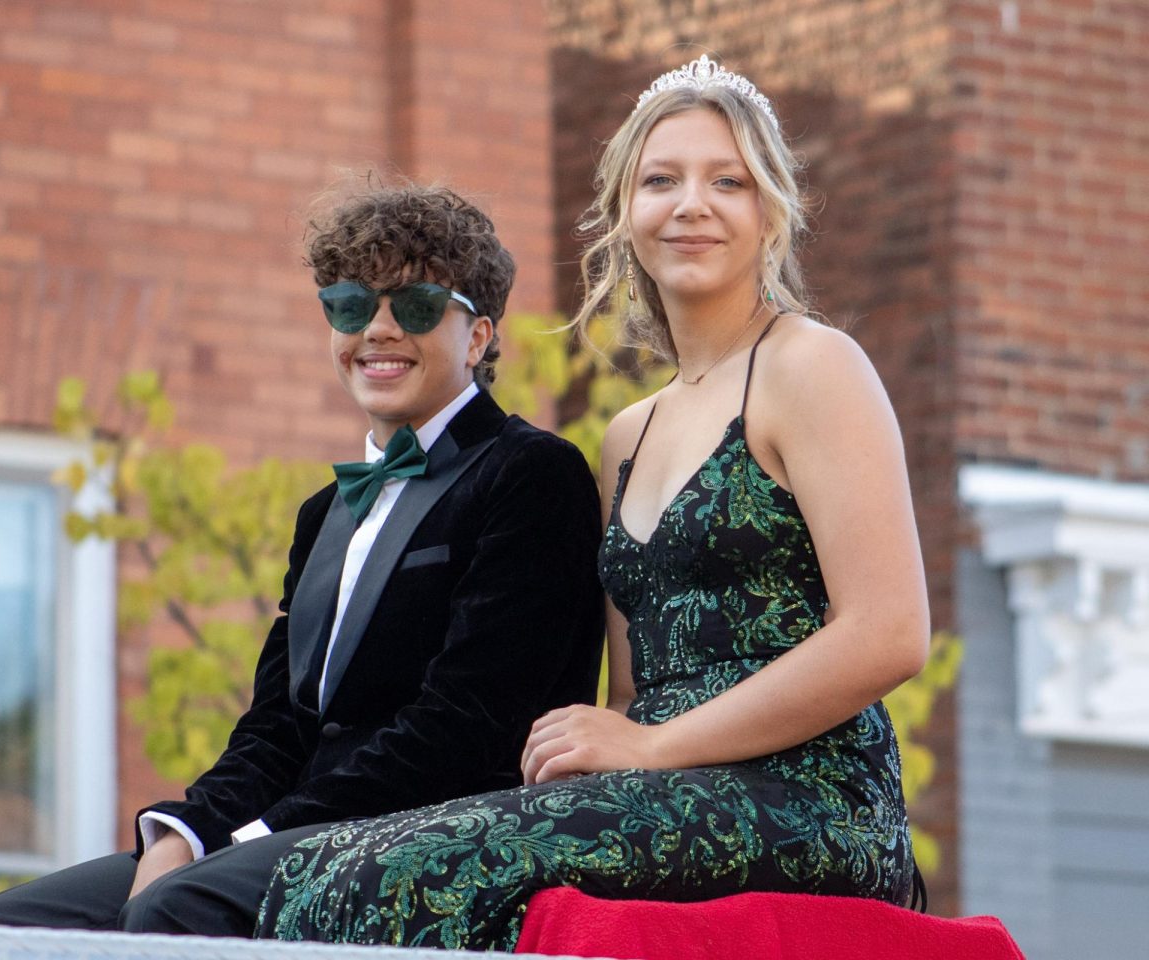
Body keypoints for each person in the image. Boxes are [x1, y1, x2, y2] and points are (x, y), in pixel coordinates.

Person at [253, 55, 930, 951]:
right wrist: (609, 753)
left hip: (814, 799)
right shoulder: (628, 435)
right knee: (324, 865)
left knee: (399, 875)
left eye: (727, 180)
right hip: (661, 792)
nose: (692, 203)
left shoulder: (813, 366)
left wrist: (654, 747)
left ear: (769, 211)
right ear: (623, 214)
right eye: (662, 180)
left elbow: (890, 633)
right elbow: (630, 693)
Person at [0, 184, 605, 935]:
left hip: (444, 836)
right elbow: (275, 731)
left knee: (173, 909)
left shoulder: (531, 473)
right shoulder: (324, 515)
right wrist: (185, 831)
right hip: (298, 833)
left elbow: (465, 724)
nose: (378, 331)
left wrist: (248, 842)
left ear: (479, 335)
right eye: (351, 306)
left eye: (416, 306)